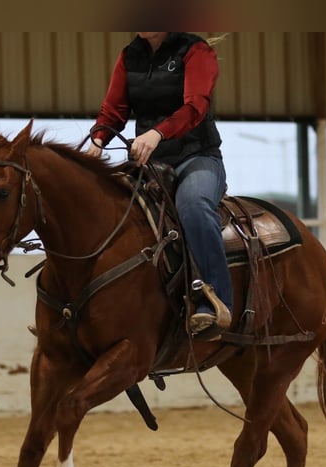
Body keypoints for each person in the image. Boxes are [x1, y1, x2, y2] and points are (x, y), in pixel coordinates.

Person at [86, 32, 232, 338]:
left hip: (197, 157)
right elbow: (114, 110)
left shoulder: (195, 50)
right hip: (149, 164)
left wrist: (157, 134)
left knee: (193, 206)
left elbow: (196, 107)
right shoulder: (130, 56)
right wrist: (98, 140)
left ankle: (216, 300)